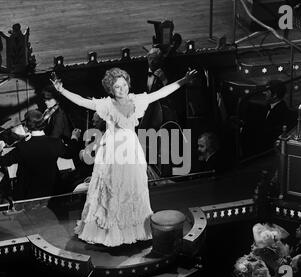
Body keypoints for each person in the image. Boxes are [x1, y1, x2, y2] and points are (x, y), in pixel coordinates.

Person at [51, 67, 197, 246]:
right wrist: (61, 90)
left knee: (133, 188)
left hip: (131, 150)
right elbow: (81, 102)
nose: (122, 89)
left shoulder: (137, 100)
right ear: (111, 89)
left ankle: (133, 228)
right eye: (117, 87)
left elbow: (160, 93)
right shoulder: (107, 105)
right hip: (113, 152)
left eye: (124, 85)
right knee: (112, 189)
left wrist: (183, 80)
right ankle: (110, 230)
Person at [0, 110, 80, 200]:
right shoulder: (56, 143)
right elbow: (70, 153)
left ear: (26, 127)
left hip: (28, 195)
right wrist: (74, 137)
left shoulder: (22, 147)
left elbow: (4, 161)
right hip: (52, 192)